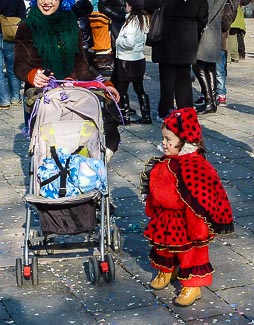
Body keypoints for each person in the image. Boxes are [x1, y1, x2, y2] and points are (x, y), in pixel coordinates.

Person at [140, 107, 234, 307]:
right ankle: (167, 269)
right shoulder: (165, 162)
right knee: (163, 247)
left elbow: (200, 198)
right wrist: (153, 207)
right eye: (163, 138)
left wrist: (199, 227)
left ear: (184, 142)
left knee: (191, 252)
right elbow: (155, 187)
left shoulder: (194, 166)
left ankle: (193, 284)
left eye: (169, 140)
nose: (164, 143)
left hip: (187, 220)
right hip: (165, 216)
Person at [14, 0, 120, 158]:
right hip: (41, 98)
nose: (46, 2)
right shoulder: (27, 26)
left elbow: (81, 66)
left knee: (72, 148)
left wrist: (104, 84)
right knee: (43, 152)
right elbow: (19, 64)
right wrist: (31, 74)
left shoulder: (71, 25)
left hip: (70, 98)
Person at [143, 0, 209, 120]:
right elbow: (203, 14)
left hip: (166, 33)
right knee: (184, 77)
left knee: (167, 77)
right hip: (187, 34)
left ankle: (165, 111)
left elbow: (149, 5)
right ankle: (186, 112)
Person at [115, 0, 151, 124]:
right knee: (139, 88)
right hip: (138, 58)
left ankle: (124, 116)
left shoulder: (132, 22)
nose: (125, 6)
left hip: (127, 59)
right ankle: (146, 115)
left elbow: (129, 42)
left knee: (122, 88)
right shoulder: (143, 19)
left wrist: (118, 42)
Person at [193, 0, 226, 115]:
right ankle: (211, 101)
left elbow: (204, 10)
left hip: (206, 29)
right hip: (213, 28)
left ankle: (209, 101)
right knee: (209, 66)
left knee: (198, 65)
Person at [0, 0, 26, 110]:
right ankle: (15, 98)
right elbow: (22, 13)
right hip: (10, 33)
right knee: (12, 67)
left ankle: (4, 101)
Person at [216, 0, 238, 107]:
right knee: (207, 67)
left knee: (219, 68)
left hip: (220, 38)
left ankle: (221, 92)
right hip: (210, 38)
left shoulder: (227, 4)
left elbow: (226, 22)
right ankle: (208, 91)